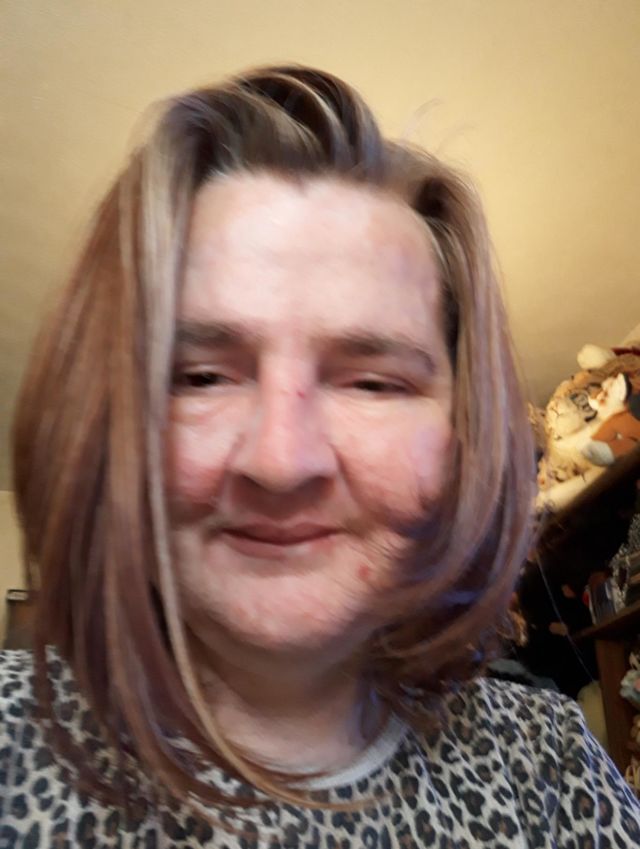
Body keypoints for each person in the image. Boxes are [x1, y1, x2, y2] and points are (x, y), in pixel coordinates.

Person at [2, 65, 639, 847]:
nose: (281, 460)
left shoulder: (553, 770)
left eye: (372, 383)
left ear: (461, 437)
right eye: (201, 376)